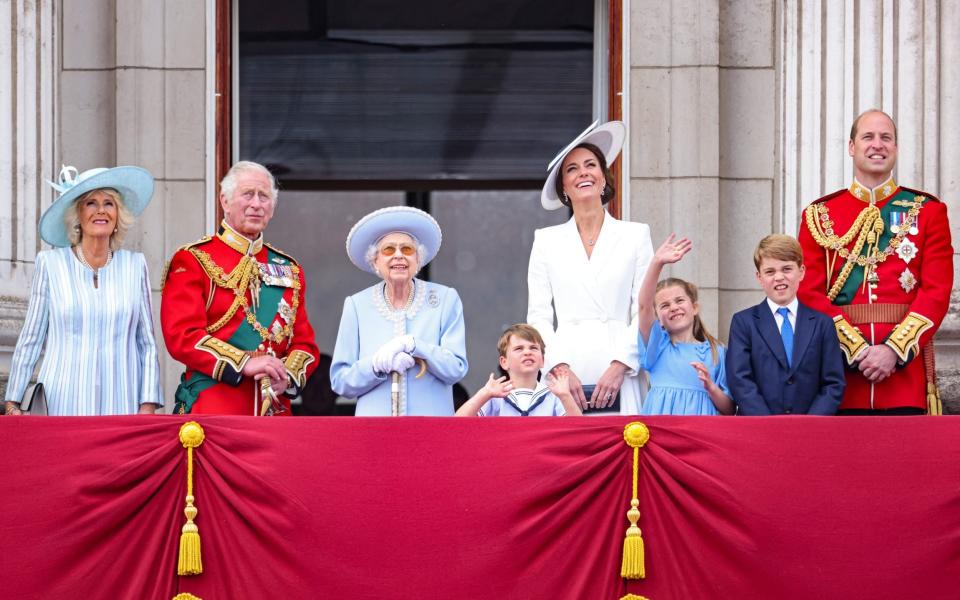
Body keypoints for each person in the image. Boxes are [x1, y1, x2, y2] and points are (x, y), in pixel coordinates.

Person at [797, 109, 954, 414]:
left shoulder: (928, 212)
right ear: (852, 147)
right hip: (840, 378)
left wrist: (893, 351)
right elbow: (808, 292)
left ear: (895, 147)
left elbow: (936, 292)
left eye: (886, 138)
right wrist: (855, 350)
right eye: (868, 137)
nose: (877, 144)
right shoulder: (819, 215)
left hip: (903, 379)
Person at [160, 161, 320, 415]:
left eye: (264, 196)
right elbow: (183, 335)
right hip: (214, 408)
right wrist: (244, 363)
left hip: (274, 413)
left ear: (273, 207)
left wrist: (287, 377)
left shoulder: (290, 269)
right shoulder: (194, 259)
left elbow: (305, 345)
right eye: (248, 194)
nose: (256, 204)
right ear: (225, 201)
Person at [4, 165, 162, 415]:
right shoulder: (51, 264)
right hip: (63, 401)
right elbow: (31, 337)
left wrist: (148, 404)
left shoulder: (135, 266)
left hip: (122, 402)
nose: (101, 210)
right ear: (77, 214)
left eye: (108, 203)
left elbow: (147, 343)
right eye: (91, 203)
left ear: (118, 215)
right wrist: (13, 401)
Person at [527, 121, 653, 414]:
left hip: (621, 367)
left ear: (604, 178)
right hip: (567, 369)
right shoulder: (546, 241)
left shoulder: (636, 235)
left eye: (590, 165)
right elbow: (539, 315)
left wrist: (622, 364)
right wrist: (559, 367)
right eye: (572, 169)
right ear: (564, 188)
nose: (583, 172)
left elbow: (644, 309)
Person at [330, 206, 468, 415]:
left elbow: (455, 368)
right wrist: (375, 365)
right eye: (388, 250)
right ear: (375, 260)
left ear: (418, 260)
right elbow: (340, 382)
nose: (398, 256)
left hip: (431, 429)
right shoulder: (357, 305)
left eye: (407, 249)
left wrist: (415, 346)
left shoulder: (445, 299)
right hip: (374, 430)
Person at [726, 235, 845, 415]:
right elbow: (739, 379)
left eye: (787, 269)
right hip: (760, 429)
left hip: (810, 430)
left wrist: (810, 423)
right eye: (770, 272)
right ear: (759, 277)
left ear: (802, 271)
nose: (779, 277)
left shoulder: (822, 324)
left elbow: (833, 382)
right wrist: (768, 424)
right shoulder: (744, 323)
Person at [635, 234, 733, 415]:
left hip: (701, 432)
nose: (673, 307)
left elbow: (729, 409)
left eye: (679, 300)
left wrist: (711, 387)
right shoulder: (657, 347)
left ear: (694, 307)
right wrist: (657, 263)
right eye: (664, 305)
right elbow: (643, 306)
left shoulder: (716, 352)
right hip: (663, 432)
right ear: (658, 318)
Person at [455, 324, 581, 417]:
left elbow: (578, 431)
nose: (527, 352)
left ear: (542, 360)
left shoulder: (553, 395)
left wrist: (565, 396)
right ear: (504, 362)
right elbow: (458, 421)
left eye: (533, 348)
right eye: (519, 349)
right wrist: (484, 394)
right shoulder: (496, 395)